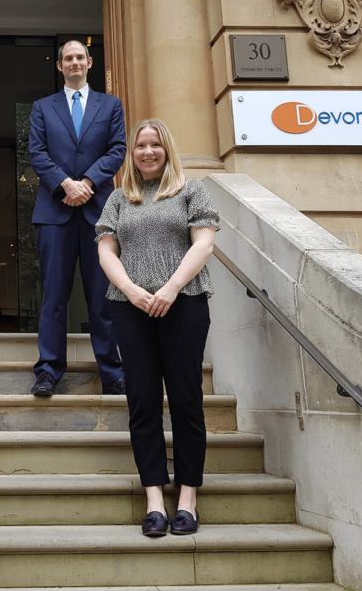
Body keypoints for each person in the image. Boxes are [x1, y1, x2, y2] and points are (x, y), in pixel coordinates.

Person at [95, 118, 219, 538]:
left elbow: (203, 243)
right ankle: (154, 500)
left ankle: (187, 499)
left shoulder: (191, 190)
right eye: (140, 146)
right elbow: (107, 251)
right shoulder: (117, 198)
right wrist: (132, 291)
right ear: (132, 154)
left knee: (186, 400)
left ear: (167, 149)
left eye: (155, 145)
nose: (147, 152)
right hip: (131, 309)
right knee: (143, 402)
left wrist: (169, 288)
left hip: (183, 305)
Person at [28, 39, 127, 396]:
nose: (73, 63)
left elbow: (118, 150)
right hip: (54, 213)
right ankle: (48, 370)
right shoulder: (42, 107)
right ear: (59, 66)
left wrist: (86, 183)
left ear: (89, 62)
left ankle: (112, 371)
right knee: (54, 295)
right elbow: (37, 153)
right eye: (67, 58)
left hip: (99, 212)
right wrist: (65, 185)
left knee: (103, 295)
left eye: (78, 58)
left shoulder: (110, 105)